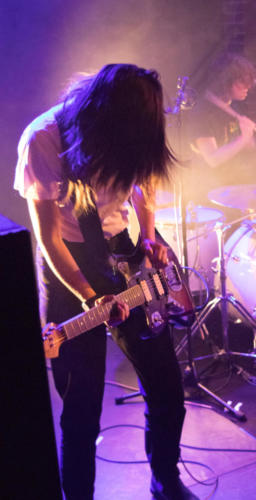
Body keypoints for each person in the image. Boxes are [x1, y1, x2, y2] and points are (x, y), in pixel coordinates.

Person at [14, 64, 199, 500]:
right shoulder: (45, 140)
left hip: (126, 256)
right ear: (107, 120)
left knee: (167, 387)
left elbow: (146, 181)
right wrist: (90, 296)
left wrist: (149, 238)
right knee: (81, 412)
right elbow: (48, 237)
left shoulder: (131, 136)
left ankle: (165, 478)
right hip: (71, 266)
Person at [185, 52, 256, 205]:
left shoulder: (235, 106)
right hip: (209, 196)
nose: (247, 87)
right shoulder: (202, 113)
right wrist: (244, 138)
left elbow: (246, 147)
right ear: (225, 82)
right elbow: (213, 159)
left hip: (234, 189)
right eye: (241, 82)